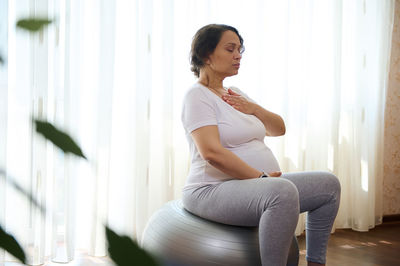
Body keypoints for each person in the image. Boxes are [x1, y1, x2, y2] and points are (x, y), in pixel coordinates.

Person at [181, 24, 341, 266]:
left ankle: (316, 263)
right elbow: (211, 154)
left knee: (329, 185)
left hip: (254, 185)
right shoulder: (197, 96)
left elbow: (278, 129)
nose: (238, 55)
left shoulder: (234, 93)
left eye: (240, 49)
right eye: (230, 49)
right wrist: (262, 178)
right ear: (206, 55)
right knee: (282, 191)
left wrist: (253, 108)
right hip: (211, 189)